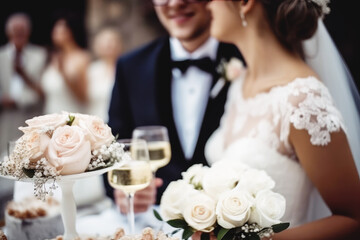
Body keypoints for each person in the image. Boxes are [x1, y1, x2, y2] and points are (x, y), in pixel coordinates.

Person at [204, 0, 360, 239]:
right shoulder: (240, 83)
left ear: (245, 3)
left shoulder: (303, 100)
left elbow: (353, 218)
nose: (207, 5)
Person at [107, 0, 243, 214]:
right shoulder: (131, 67)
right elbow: (112, 150)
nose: (176, 3)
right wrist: (123, 195)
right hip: (155, 220)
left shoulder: (247, 61)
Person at [0, 12, 47, 226]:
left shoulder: (40, 55)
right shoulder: (0, 56)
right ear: (8, 32)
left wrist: (23, 74)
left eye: (22, 31)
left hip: (31, 123)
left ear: (28, 32)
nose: (18, 34)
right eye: (15, 30)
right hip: (5, 123)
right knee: (5, 174)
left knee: (31, 176)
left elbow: (44, 92)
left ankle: (32, 220)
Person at [41, 12, 90, 114]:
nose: (55, 33)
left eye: (61, 31)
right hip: (50, 114)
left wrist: (63, 72)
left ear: (71, 32)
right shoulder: (51, 57)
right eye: (55, 30)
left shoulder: (81, 57)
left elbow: (83, 97)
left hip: (71, 116)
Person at [87, 27, 123, 122]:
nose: (109, 45)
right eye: (105, 41)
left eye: (112, 41)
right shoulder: (91, 70)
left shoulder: (125, 68)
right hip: (96, 121)